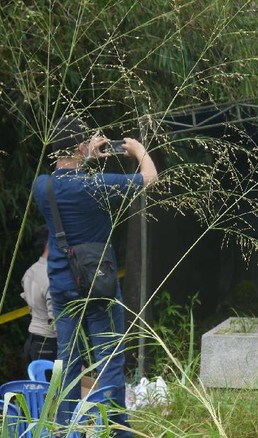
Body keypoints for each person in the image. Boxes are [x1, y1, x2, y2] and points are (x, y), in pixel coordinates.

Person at [33, 115, 157, 434]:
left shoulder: (41, 186)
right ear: (80, 145)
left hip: (61, 287)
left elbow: (66, 175)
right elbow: (150, 176)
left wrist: (84, 156)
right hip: (98, 285)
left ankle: (64, 427)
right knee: (108, 359)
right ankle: (117, 429)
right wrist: (138, 150)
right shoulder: (96, 185)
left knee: (68, 358)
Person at [21, 224, 57, 363]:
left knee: (37, 382)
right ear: (49, 243)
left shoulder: (30, 271)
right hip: (50, 345)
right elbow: (56, 320)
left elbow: (29, 302)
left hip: (32, 341)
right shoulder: (52, 276)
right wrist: (73, 357)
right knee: (55, 384)